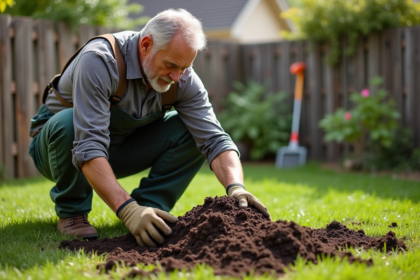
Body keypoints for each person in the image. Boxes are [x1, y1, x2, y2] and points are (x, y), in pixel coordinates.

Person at [29, 9, 271, 247]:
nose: (177, 77)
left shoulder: (183, 79)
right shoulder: (101, 61)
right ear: (146, 45)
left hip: (119, 147)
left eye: (184, 68)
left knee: (190, 129)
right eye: (171, 65)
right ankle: (73, 213)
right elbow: (88, 144)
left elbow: (215, 139)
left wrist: (236, 187)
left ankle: (150, 209)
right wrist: (127, 210)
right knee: (68, 122)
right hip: (57, 150)